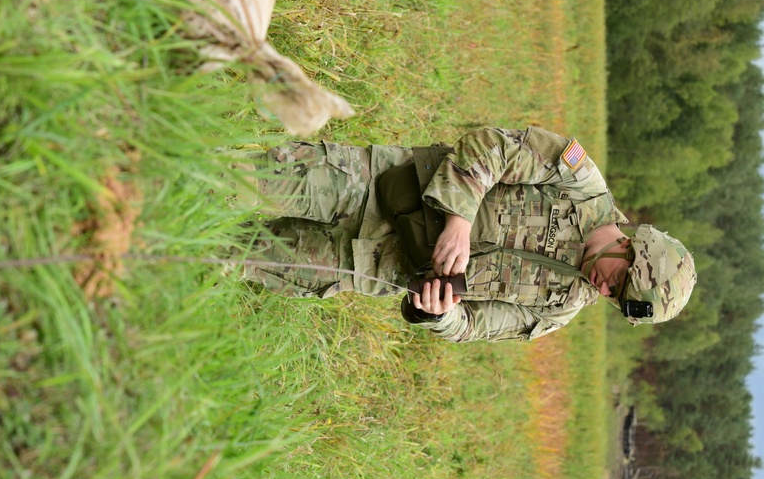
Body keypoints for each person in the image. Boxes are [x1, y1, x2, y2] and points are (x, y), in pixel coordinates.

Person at [231, 126, 697, 342]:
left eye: (615, 300)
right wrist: (460, 219)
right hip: (371, 186)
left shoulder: (559, 309)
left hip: (363, 266)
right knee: (230, 182)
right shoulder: (580, 182)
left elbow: (472, 326)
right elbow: (490, 145)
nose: (605, 291)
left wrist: (439, 314)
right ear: (633, 247)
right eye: (618, 282)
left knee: (229, 255)